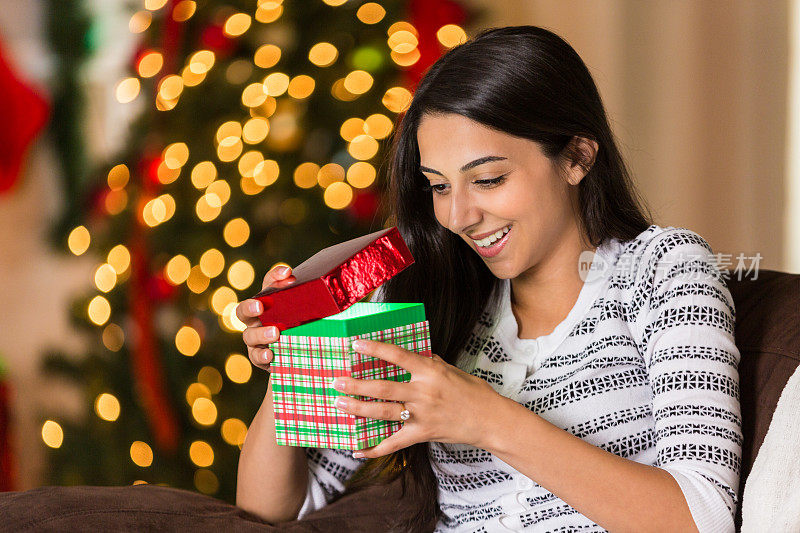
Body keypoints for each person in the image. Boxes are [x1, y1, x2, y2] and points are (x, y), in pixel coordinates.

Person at [235, 25, 742, 533]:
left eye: (488, 179)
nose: (457, 217)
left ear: (577, 158)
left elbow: (702, 517)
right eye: (437, 186)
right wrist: (291, 362)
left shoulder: (664, 269)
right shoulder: (432, 295)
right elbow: (278, 508)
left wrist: (485, 418)